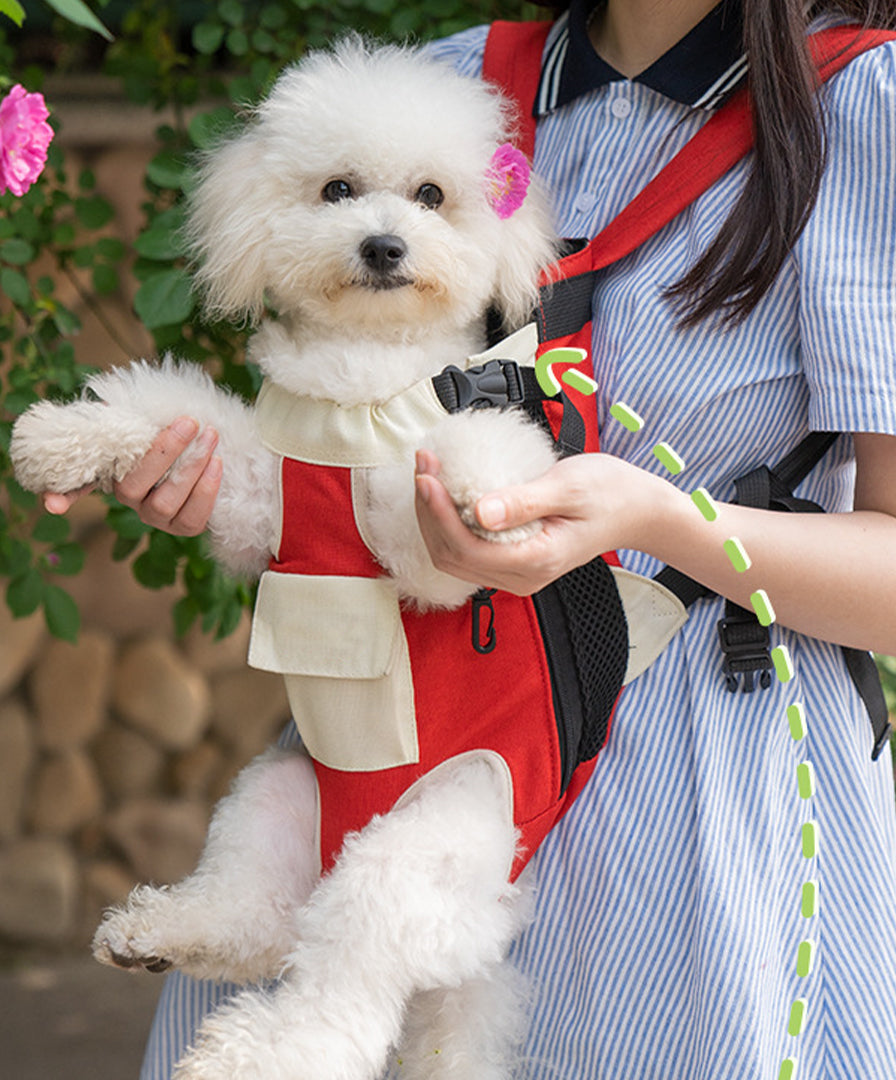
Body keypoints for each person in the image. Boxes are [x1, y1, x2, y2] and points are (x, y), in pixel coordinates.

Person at [49, 1, 896, 1075]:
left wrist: (655, 521)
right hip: (400, 745)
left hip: (687, 802)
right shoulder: (445, 90)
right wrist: (229, 488)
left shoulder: (859, 108)